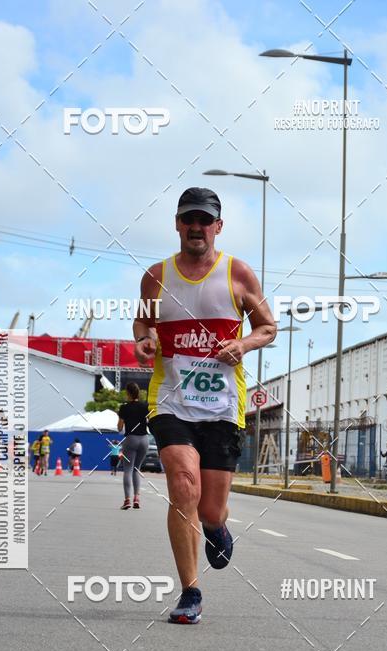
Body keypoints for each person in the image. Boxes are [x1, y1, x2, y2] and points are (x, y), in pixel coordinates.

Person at [133, 187, 276, 624]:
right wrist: (144, 339)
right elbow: (143, 321)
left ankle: (214, 527)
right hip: (171, 400)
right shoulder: (156, 276)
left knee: (210, 508)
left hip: (221, 406)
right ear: (178, 224)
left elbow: (268, 327)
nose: (197, 227)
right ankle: (190, 592)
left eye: (205, 219)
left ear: (218, 225)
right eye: (188, 219)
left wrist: (244, 343)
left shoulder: (239, 274)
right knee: (182, 483)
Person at [117, 382, 149, 509]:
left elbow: (119, 427)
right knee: (137, 469)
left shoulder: (124, 408)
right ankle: (137, 498)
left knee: (128, 470)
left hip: (131, 439)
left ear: (128, 393)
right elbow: (149, 421)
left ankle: (127, 500)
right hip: (144, 439)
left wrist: (122, 425)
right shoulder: (145, 406)